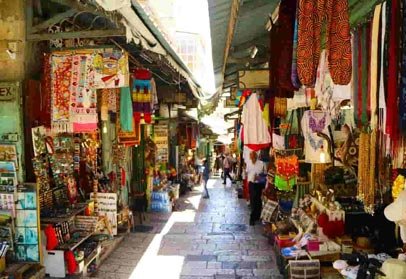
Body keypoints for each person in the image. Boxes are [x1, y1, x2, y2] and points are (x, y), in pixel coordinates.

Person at [246, 151, 265, 226]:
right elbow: (247, 171)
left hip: (255, 184)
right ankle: (255, 217)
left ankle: (254, 217)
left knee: (255, 200)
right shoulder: (259, 163)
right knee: (256, 199)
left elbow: (247, 172)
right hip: (255, 183)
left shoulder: (259, 163)